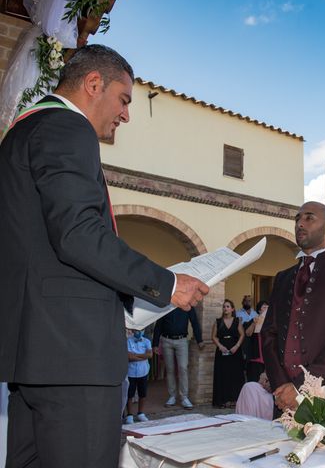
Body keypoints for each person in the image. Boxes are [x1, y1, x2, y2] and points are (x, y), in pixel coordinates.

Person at [0, 45, 208, 467]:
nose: (126, 115)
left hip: (37, 356)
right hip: (73, 354)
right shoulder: (65, 128)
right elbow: (78, 233)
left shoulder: (22, 133)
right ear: (94, 84)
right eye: (124, 99)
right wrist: (167, 284)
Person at [262, 201, 325, 413]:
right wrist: (281, 386)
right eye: (297, 219)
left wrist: (301, 387)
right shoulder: (282, 277)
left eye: (309, 218)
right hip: (283, 400)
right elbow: (269, 334)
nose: (300, 224)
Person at [152, 307, 205, 409]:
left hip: (182, 341)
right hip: (166, 340)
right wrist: (155, 343)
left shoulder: (187, 304)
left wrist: (199, 340)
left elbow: (194, 322)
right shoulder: (166, 304)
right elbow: (159, 324)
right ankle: (172, 396)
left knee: (183, 368)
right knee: (170, 369)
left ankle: (184, 397)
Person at [212, 299, 245, 407]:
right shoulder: (218, 321)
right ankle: (223, 400)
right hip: (222, 351)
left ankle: (235, 400)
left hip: (235, 350)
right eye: (224, 307)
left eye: (227, 306)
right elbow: (213, 336)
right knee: (223, 375)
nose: (225, 308)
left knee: (235, 375)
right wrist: (220, 346)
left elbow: (242, 335)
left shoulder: (237, 321)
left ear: (232, 309)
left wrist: (237, 346)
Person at [125, 330, 152, 424]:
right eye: (136, 330)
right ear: (133, 330)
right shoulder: (128, 341)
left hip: (143, 371)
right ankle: (129, 415)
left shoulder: (147, 341)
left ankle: (140, 413)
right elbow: (129, 357)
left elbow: (150, 354)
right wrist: (142, 357)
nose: (138, 332)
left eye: (140, 330)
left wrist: (135, 355)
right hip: (131, 372)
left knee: (142, 393)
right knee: (129, 394)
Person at [245, 300, 269, 382]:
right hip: (256, 358)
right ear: (259, 310)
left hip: (268, 358)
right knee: (255, 382)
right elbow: (248, 333)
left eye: (268, 307)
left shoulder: (271, 322)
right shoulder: (254, 320)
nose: (266, 308)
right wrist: (254, 323)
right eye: (264, 307)